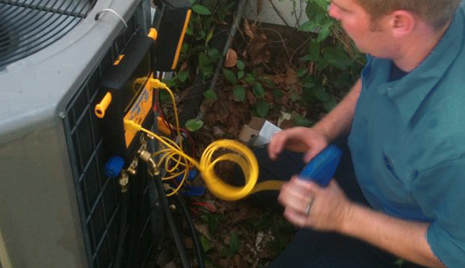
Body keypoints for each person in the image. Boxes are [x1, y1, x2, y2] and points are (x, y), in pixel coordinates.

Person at [260, 0, 465, 267]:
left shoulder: (452, 148)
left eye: (343, 9)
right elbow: (375, 72)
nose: (332, 12)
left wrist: (343, 216)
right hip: (363, 156)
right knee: (246, 169)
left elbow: (453, 249)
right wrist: (324, 130)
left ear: (399, 22)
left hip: (395, 222)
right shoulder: (415, 35)